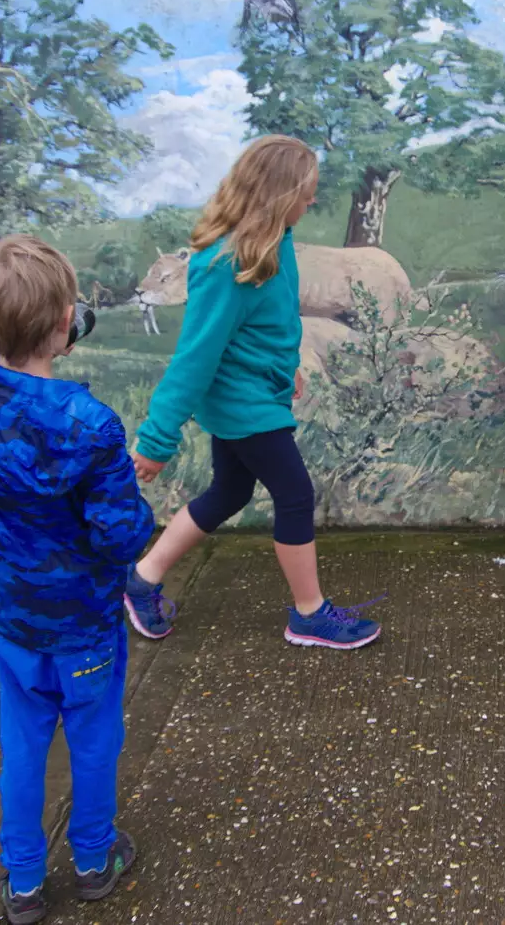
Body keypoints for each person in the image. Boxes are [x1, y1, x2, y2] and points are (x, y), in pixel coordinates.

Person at [0, 235, 155, 924]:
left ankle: (26, 879)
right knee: (93, 739)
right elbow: (120, 536)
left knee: (23, 739)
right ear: (67, 323)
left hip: (9, 608)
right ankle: (95, 859)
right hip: (82, 619)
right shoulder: (89, 425)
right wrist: (130, 488)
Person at [122, 134, 381, 650]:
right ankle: (309, 615)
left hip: (259, 391)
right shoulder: (225, 266)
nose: (312, 202)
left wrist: (286, 371)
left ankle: (142, 578)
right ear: (279, 194)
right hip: (242, 403)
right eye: (305, 193)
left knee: (231, 492)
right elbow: (194, 359)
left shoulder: (273, 241)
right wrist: (155, 441)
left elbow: (274, 322)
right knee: (295, 494)